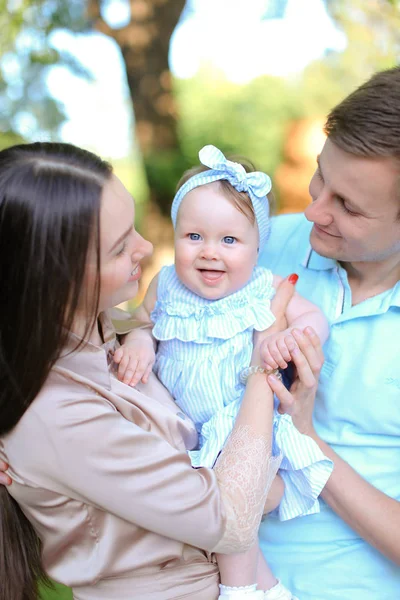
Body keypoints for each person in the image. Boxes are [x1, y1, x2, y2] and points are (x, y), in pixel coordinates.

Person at [0, 141, 323, 600]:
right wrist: (260, 362)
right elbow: (232, 520)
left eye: (134, 227)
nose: (148, 247)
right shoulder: (58, 412)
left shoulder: (106, 323)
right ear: (56, 275)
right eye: (119, 247)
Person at [114, 144, 332, 600]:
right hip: (181, 427)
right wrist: (138, 339)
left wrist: (286, 339)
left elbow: (314, 320)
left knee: (231, 503)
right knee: (203, 513)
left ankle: (238, 590)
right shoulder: (166, 283)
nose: (210, 252)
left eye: (229, 241)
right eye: (194, 236)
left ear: (257, 248)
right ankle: (268, 589)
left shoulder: (264, 287)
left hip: (240, 426)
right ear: (175, 236)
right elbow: (137, 318)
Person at [256, 66, 400, 600]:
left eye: (350, 207)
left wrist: (306, 440)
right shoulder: (258, 245)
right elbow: (153, 314)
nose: (313, 210)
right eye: (322, 177)